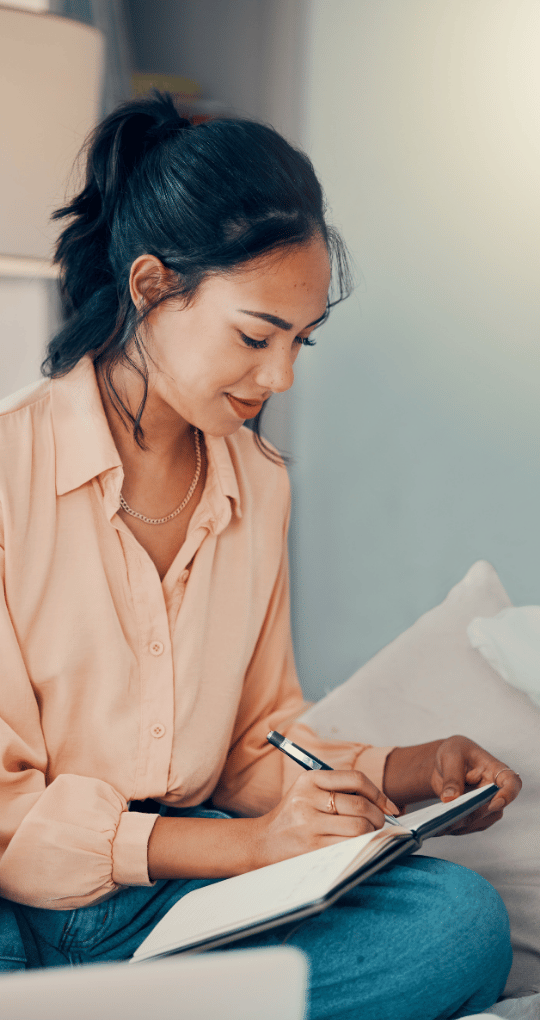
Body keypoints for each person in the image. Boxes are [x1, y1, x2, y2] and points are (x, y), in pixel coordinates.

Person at [0, 92, 520, 1019]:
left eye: (300, 342)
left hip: (180, 895)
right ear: (151, 287)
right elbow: (7, 817)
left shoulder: (259, 483)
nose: (279, 377)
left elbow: (252, 747)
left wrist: (411, 769)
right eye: (255, 335)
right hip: (24, 901)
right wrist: (248, 851)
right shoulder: (9, 476)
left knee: (458, 923)